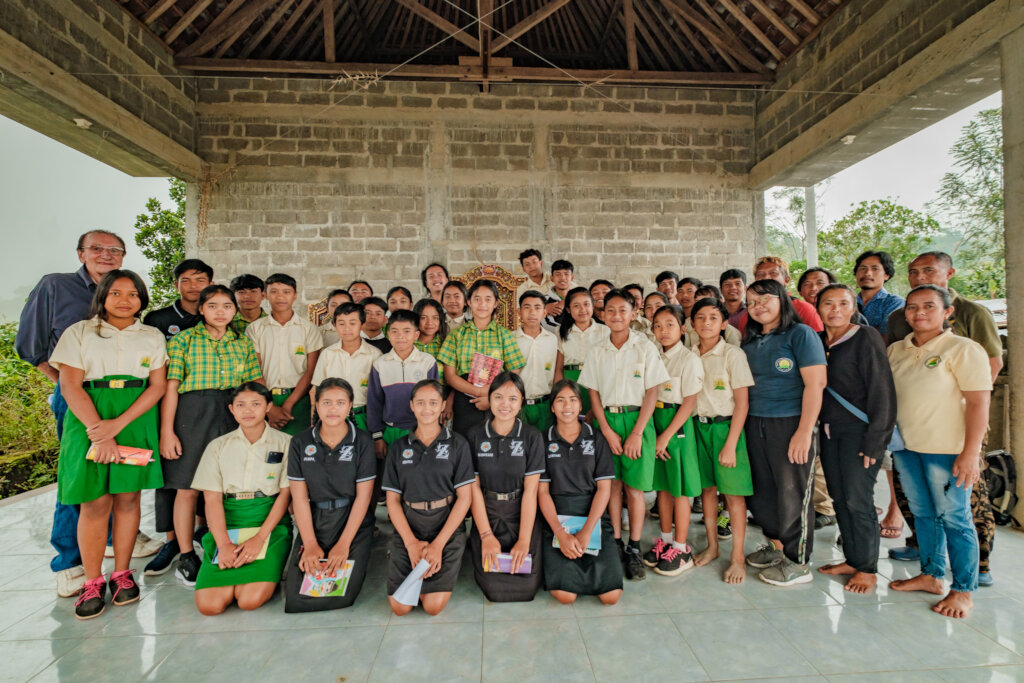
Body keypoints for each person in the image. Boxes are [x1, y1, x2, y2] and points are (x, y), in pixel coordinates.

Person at [16, 229, 132, 597]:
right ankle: (69, 560)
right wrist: (67, 385)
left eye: (114, 250)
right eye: (97, 248)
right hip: (75, 395)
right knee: (78, 476)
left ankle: (110, 538)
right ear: (81, 253)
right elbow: (30, 346)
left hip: (121, 400)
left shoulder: (122, 293)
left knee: (116, 470)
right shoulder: (56, 286)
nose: (106, 255)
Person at [49, 270, 167, 619]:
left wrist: (118, 425)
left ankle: (122, 573)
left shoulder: (151, 336)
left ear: (142, 299)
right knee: (94, 502)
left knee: (128, 499)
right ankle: (92, 580)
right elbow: (70, 386)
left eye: (132, 294)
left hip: (134, 418)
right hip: (88, 419)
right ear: (102, 296)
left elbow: (157, 386)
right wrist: (100, 431)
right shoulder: (79, 333)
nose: (124, 300)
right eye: (116, 293)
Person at [885, 252, 1003, 585]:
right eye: (912, 307)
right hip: (907, 447)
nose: (919, 313)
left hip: (948, 449)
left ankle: (964, 587)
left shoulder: (963, 349)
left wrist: (970, 452)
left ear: (948, 312)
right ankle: (931, 574)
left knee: (955, 517)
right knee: (923, 513)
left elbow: (979, 403)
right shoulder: (896, 350)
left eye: (929, 306)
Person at [161, 285, 264, 585]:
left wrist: (262, 417)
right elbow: (171, 387)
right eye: (213, 306)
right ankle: (186, 555)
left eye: (227, 306)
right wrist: (167, 431)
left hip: (233, 413)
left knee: (228, 485)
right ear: (201, 309)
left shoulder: (241, 342)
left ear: (235, 310)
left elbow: (255, 382)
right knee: (187, 488)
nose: (221, 312)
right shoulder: (183, 340)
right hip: (192, 415)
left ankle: (226, 544)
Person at [741, 279, 827, 587]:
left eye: (765, 299)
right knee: (762, 492)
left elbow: (816, 384)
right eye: (751, 302)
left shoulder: (800, 334)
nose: (758, 306)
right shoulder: (750, 342)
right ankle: (776, 547)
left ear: (782, 299)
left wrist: (804, 431)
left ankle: (798, 560)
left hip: (789, 423)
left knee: (793, 492)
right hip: (755, 422)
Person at [579, 289, 669, 581]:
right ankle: (616, 541)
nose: (616, 316)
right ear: (602, 315)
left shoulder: (644, 347)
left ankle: (634, 547)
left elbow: (652, 391)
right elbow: (593, 392)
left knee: (635, 489)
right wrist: (605, 430)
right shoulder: (597, 349)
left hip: (637, 421)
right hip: (607, 421)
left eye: (623, 310)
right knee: (612, 485)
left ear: (634, 313)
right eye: (610, 310)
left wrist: (637, 433)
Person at [815, 284, 896, 594]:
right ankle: (852, 559)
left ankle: (867, 569)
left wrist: (876, 441)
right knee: (839, 498)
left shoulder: (865, 337)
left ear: (853, 308)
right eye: (828, 303)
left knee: (858, 499)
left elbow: (882, 391)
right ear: (818, 308)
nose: (835, 309)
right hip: (829, 431)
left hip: (859, 433)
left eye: (843, 303)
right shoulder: (819, 341)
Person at [191, 382, 293, 615]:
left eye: (256, 404)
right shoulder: (218, 446)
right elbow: (212, 500)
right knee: (209, 606)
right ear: (231, 409)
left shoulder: (286, 443)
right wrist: (224, 544)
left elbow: (285, 495)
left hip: (269, 524)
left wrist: (259, 538)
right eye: (241, 405)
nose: (248, 411)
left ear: (268, 407)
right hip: (228, 525)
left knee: (249, 601)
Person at [283, 378, 376, 612]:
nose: (333, 409)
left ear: (350, 405)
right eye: (326, 402)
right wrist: (310, 544)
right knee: (298, 596)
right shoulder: (300, 442)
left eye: (340, 402)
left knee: (338, 593)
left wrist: (343, 545)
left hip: (352, 521)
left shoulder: (362, 441)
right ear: (316, 405)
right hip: (315, 520)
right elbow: (299, 498)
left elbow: (364, 498)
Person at [382, 380, 474, 616]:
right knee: (400, 607)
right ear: (411, 405)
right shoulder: (399, 448)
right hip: (410, 526)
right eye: (420, 403)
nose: (427, 409)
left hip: (445, 527)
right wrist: (411, 543)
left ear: (443, 405)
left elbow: (464, 498)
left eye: (433, 403)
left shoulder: (458, 444)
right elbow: (392, 501)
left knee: (432, 606)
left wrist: (438, 545)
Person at [538, 380, 622, 605]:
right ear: (552, 407)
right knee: (565, 596)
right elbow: (542, 493)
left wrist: (587, 531)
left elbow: (604, 489)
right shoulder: (542, 440)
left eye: (573, 400)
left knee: (611, 596)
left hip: (593, 515)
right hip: (557, 517)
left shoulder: (596, 438)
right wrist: (560, 533)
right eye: (560, 400)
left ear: (581, 406)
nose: (567, 406)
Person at [689, 298, 754, 583]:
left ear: (724, 323)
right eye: (700, 317)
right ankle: (713, 546)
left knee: (733, 494)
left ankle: (737, 557)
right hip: (698, 427)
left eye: (713, 318)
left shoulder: (732, 354)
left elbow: (742, 403)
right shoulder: (690, 354)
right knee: (707, 491)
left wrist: (730, 444)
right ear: (692, 323)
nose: (706, 323)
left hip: (726, 429)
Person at [465, 373, 545, 601]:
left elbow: (531, 492)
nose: (505, 405)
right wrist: (486, 535)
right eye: (498, 397)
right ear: (489, 399)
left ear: (521, 403)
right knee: (493, 587)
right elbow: (474, 489)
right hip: (488, 512)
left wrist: (524, 540)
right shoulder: (474, 435)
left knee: (527, 585)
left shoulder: (532, 436)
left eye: (513, 398)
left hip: (521, 513)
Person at [643, 305, 703, 576]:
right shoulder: (654, 356)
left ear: (682, 328)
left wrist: (665, 437)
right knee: (663, 488)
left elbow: (689, 402)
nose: (663, 330)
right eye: (658, 325)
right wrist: (655, 435)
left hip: (676, 429)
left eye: (670, 324)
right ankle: (665, 540)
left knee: (679, 490)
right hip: (655, 423)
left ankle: (681, 548)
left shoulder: (689, 359)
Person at [437, 279, 526, 436]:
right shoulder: (456, 335)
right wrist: (477, 391)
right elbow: (450, 376)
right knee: (465, 442)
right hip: (463, 399)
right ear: (469, 302)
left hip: (497, 400)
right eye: (477, 299)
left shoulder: (505, 335)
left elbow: (513, 373)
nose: (482, 304)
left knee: (494, 442)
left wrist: (491, 396)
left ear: (496, 303)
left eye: (488, 299)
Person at [246, 273, 324, 435]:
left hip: (298, 398)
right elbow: (254, 369)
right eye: (274, 291)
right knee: (264, 444)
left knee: (296, 444)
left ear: (295, 295)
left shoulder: (309, 329)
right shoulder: (255, 329)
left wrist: (288, 405)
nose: (280, 296)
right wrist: (270, 407)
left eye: (286, 292)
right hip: (262, 397)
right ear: (265, 295)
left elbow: (311, 371)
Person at [367, 309, 439, 456]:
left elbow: (435, 399)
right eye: (394, 331)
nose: (400, 336)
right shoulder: (380, 364)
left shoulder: (427, 362)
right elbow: (374, 402)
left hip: (421, 429)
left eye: (407, 331)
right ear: (388, 334)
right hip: (391, 430)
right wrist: (377, 436)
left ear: (416, 335)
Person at [310, 302, 383, 432]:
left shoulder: (374, 355)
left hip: (364, 417)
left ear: (362, 325)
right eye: (341, 323)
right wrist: (315, 421)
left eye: (352, 323)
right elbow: (316, 390)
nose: (347, 328)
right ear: (334, 325)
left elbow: (380, 395)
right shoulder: (327, 354)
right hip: (332, 416)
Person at [554, 287, 610, 417]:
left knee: (594, 419)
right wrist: (558, 394)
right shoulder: (560, 331)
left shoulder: (605, 331)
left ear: (592, 306)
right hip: (570, 381)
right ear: (568, 309)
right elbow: (559, 368)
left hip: (596, 382)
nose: (582, 309)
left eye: (586, 304)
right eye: (576, 306)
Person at [735, 257, 823, 334]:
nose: (766, 277)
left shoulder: (803, 309)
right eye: (761, 274)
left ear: (786, 279)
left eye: (773, 273)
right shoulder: (749, 316)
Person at [515, 291, 558, 431]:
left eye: (537, 307)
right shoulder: (510, 339)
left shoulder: (553, 340)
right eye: (527, 307)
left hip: (545, 405)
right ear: (519, 312)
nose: (532, 312)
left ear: (545, 312)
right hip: (518, 405)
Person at [143, 259, 213, 340]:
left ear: (211, 286)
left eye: (200, 281)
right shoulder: (157, 319)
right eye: (185, 281)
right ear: (177, 286)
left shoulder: (219, 317)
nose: (193, 286)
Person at [854, 250, 904, 335]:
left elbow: (886, 336)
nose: (867, 273)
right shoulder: (847, 302)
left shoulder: (895, 303)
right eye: (863, 268)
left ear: (886, 275)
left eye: (875, 269)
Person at [543, 259, 577, 331]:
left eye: (566, 274)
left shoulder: (579, 298)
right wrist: (543, 310)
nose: (562, 278)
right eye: (558, 274)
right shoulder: (542, 300)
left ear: (572, 278)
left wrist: (567, 301)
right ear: (552, 278)